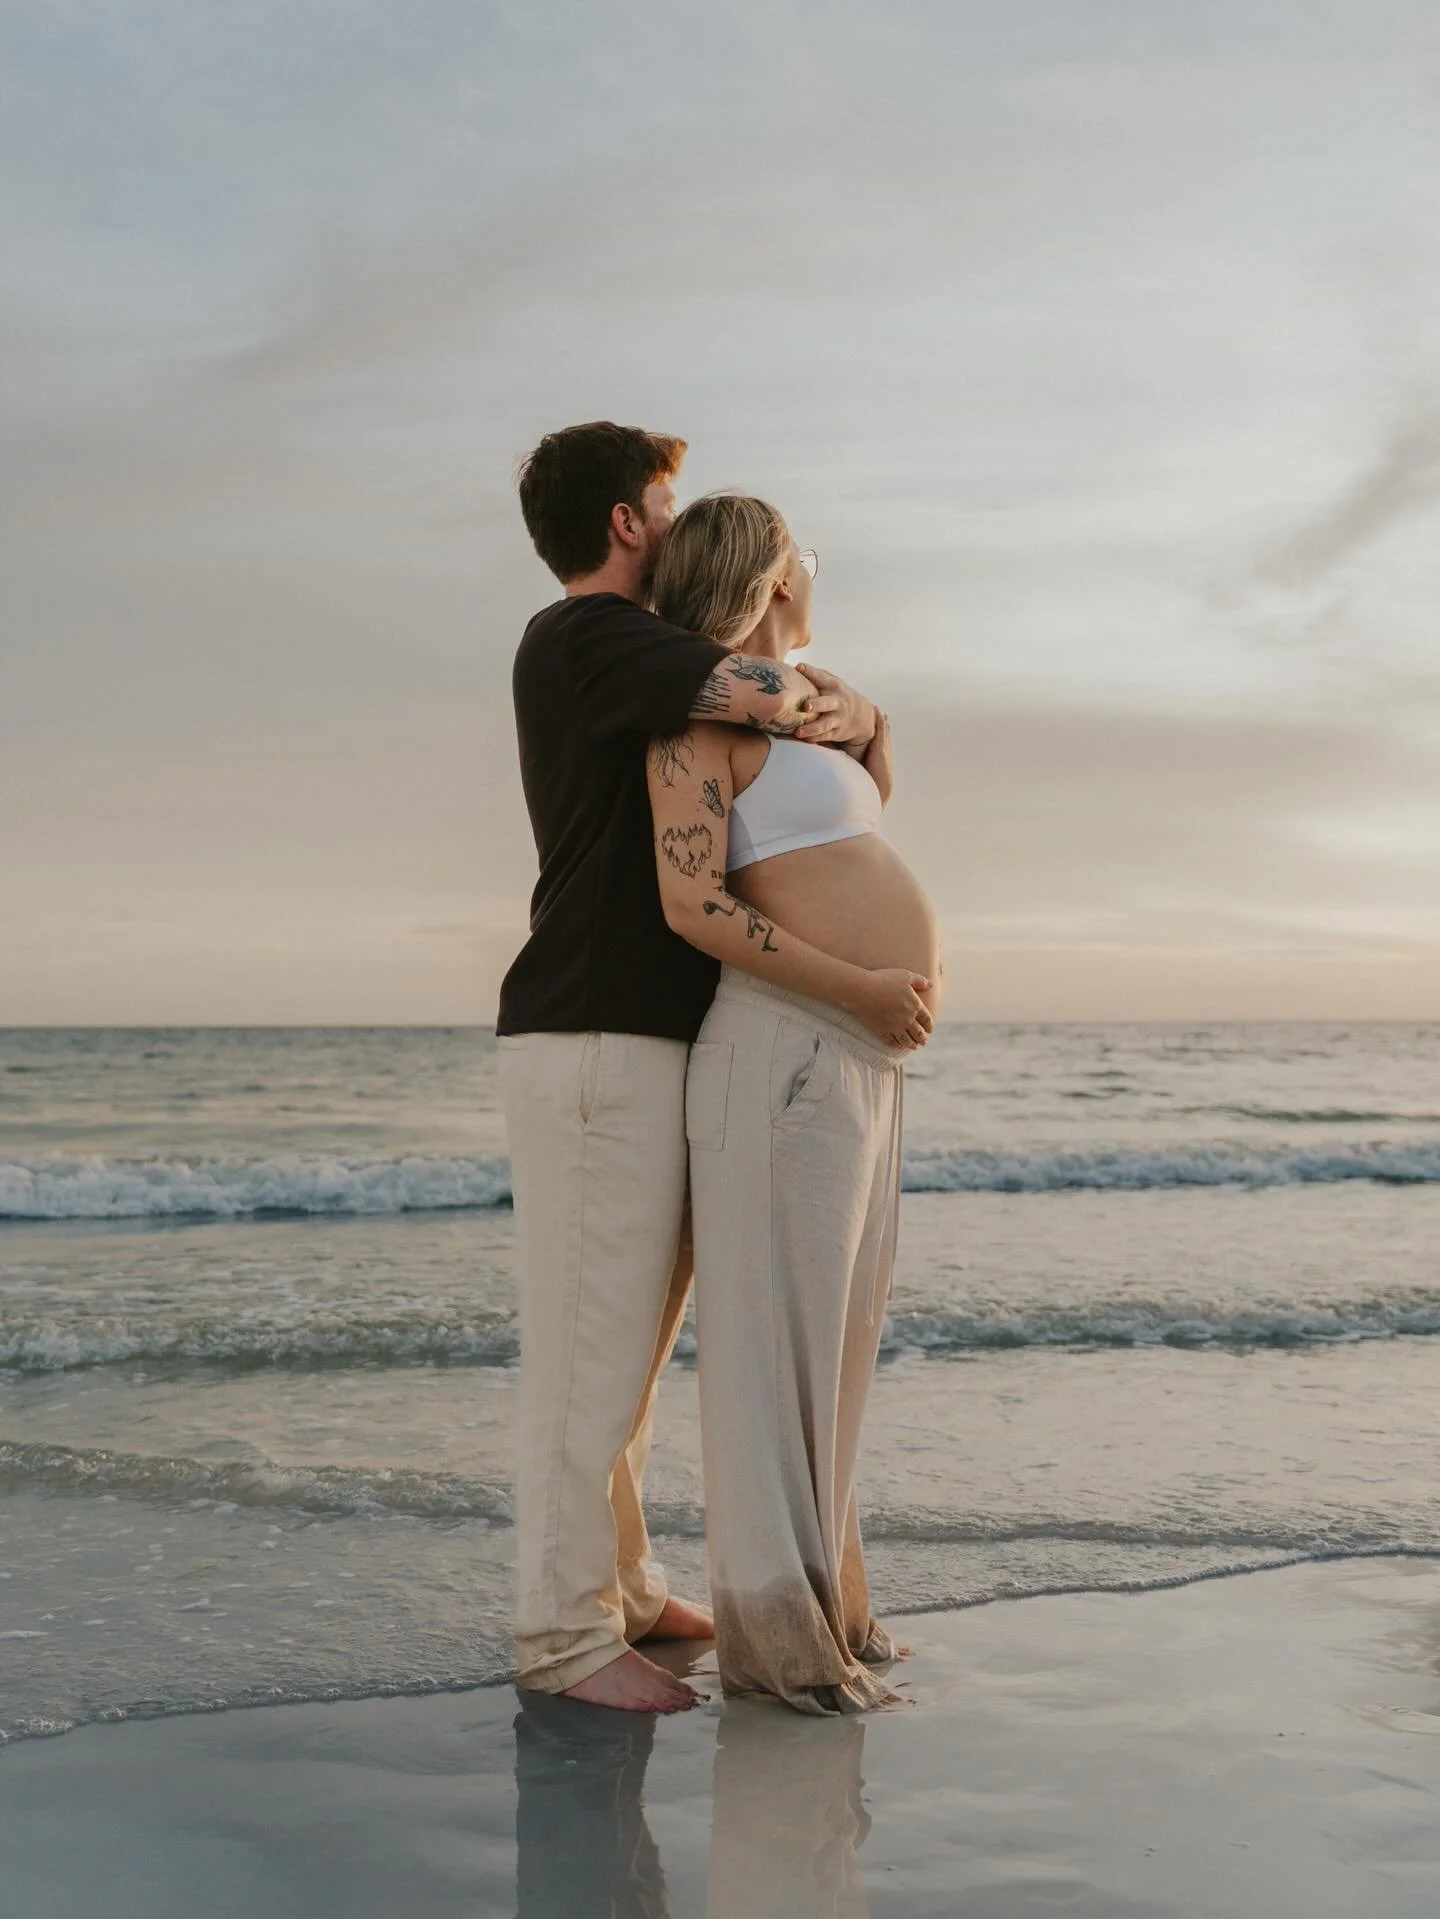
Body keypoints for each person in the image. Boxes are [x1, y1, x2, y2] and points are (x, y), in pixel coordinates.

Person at [497, 423, 918, 1715]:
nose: (680, 528)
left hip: (656, 1034)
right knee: (586, 1347)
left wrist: (854, 704)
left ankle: (622, 1588)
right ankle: (563, 1640)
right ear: (627, 522)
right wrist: (843, 697)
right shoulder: (588, 637)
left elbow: (781, 700)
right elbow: (770, 692)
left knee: (627, 1345)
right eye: (667, 506)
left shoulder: (638, 658)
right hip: (594, 1032)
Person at [647, 493, 943, 1713]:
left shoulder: (810, 711)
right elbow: (694, 905)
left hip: (864, 1054)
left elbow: (878, 776)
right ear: (771, 574)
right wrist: (861, 985)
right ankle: (778, 1636)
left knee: (841, 1346)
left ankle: (836, 1601)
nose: (814, 572)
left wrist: (868, 711)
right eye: (803, 557)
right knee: (777, 1352)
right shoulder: (694, 730)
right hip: (785, 1047)